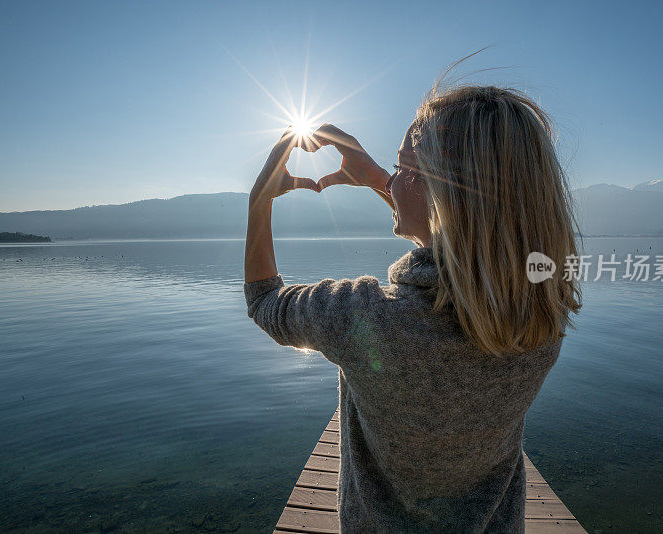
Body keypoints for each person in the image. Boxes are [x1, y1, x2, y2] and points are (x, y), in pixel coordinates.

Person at [243, 79, 582, 532]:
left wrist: (259, 201)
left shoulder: (362, 316)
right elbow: (464, 245)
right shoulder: (544, 313)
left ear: (446, 194)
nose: (395, 178)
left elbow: (264, 300)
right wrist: (380, 180)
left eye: (404, 167)